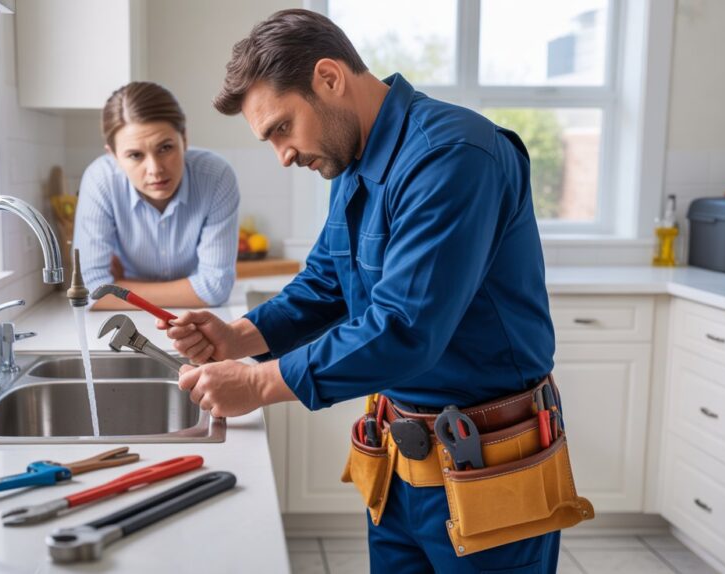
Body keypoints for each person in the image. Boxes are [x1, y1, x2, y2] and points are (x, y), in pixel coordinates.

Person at [159, 9, 564, 573]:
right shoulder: (352, 160)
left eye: (282, 127)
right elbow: (326, 281)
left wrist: (257, 380)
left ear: (329, 78)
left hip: (489, 462)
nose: (284, 154)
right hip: (400, 461)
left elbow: (404, 329)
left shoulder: (454, 156)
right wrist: (237, 336)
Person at [74, 81, 240, 309]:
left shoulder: (216, 176)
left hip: (196, 318)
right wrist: (191, 290)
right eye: (135, 155)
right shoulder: (100, 180)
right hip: (132, 319)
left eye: (165, 148)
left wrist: (120, 286)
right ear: (113, 156)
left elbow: (215, 289)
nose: (155, 169)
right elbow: (90, 290)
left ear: (184, 139)